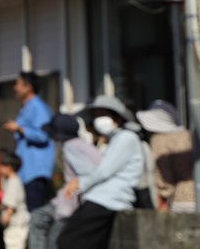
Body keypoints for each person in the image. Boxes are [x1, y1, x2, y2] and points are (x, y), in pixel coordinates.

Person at [56, 95, 143, 249]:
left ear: (117, 118)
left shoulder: (126, 138)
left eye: (103, 115)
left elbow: (104, 171)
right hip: (101, 199)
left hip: (108, 200)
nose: (98, 120)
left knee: (68, 242)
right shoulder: (115, 140)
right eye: (96, 116)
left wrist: (80, 183)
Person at [27, 114, 100, 249]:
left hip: (72, 204)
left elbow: (89, 175)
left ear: (59, 135)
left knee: (53, 238)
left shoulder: (71, 147)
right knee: (38, 217)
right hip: (68, 201)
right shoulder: (83, 144)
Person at [136, 99, 200, 212]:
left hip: (184, 199)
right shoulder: (187, 134)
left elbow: (163, 175)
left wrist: (163, 195)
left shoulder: (158, 140)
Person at [2, 72, 55, 212]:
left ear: (29, 87)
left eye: (18, 84)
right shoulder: (26, 108)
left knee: (36, 214)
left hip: (35, 172)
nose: (14, 88)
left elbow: (43, 135)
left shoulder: (38, 107)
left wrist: (19, 129)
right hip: (26, 172)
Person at [0, 152, 30, 249]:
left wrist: (4, 219)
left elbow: (10, 207)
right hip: (19, 226)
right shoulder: (15, 181)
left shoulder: (13, 183)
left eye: (1, 166)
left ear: (8, 167)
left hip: (16, 226)